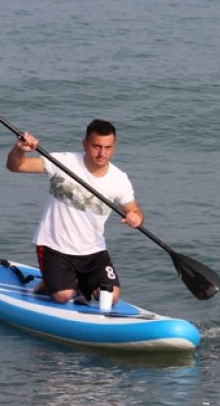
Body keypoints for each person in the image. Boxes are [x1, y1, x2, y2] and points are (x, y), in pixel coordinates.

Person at [7, 119, 144, 306]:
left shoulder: (119, 180)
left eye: (107, 147)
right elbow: (16, 166)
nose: (102, 153)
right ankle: (50, 283)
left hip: (93, 250)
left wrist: (136, 218)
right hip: (55, 246)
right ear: (85, 144)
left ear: (114, 147)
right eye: (96, 146)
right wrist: (20, 150)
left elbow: (134, 210)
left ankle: (76, 282)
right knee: (63, 296)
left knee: (109, 298)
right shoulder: (62, 162)